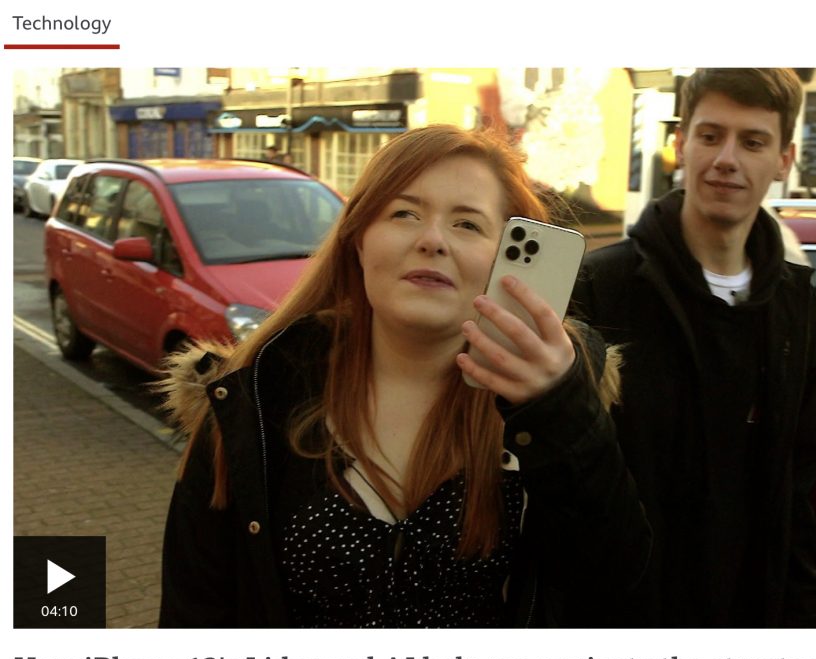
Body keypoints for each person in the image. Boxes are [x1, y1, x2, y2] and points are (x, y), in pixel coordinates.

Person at [158, 124, 650, 628]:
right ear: (359, 242)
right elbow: (194, 613)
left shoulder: (564, 399)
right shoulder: (253, 399)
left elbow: (612, 580)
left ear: (504, 260)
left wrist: (558, 409)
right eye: (404, 214)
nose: (432, 239)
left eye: (467, 224)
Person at [570, 68, 816, 627]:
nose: (727, 158)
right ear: (681, 144)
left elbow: (797, 481)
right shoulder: (599, 287)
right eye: (710, 135)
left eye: (753, 141)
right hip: (627, 617)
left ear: (784, 159)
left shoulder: (796, 305)